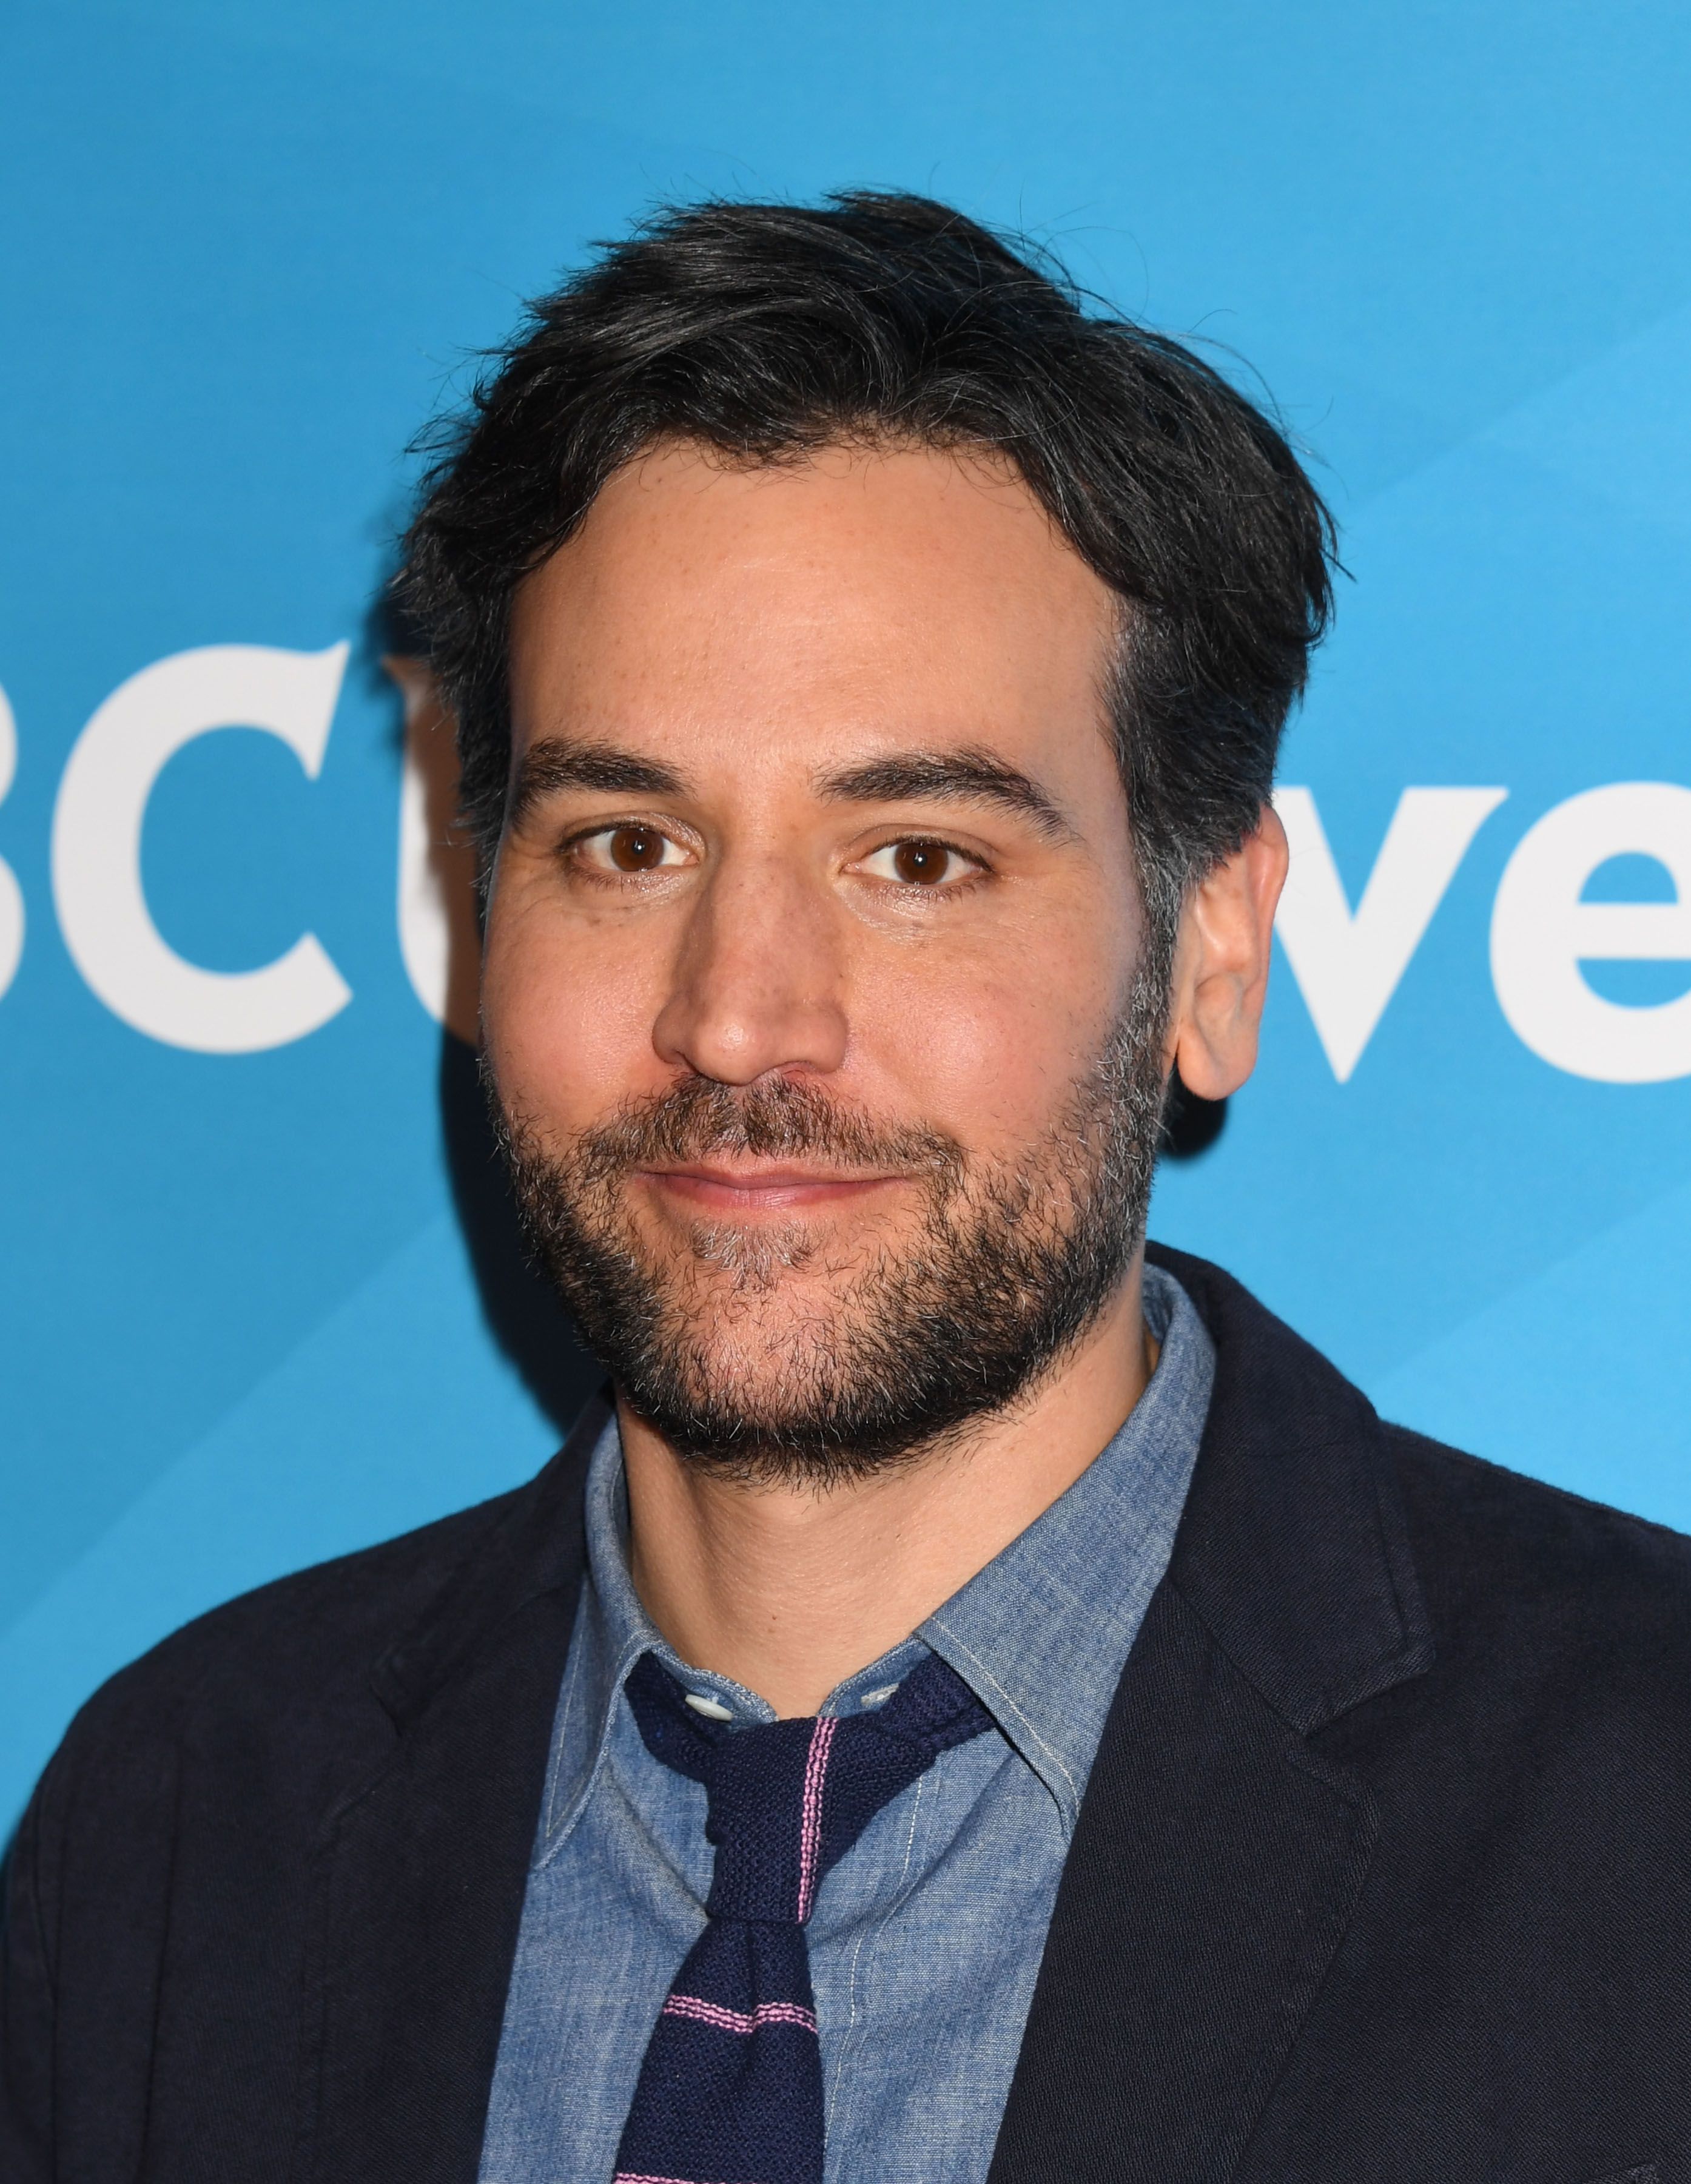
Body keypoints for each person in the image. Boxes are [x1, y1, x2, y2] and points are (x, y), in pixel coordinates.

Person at [4, 193, 1689, 2184]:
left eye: (916, 860)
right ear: (478, 913)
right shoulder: (190, 1813)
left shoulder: (1642, 1813)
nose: (738, 1022)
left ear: (1211, 957)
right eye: (626, 845)